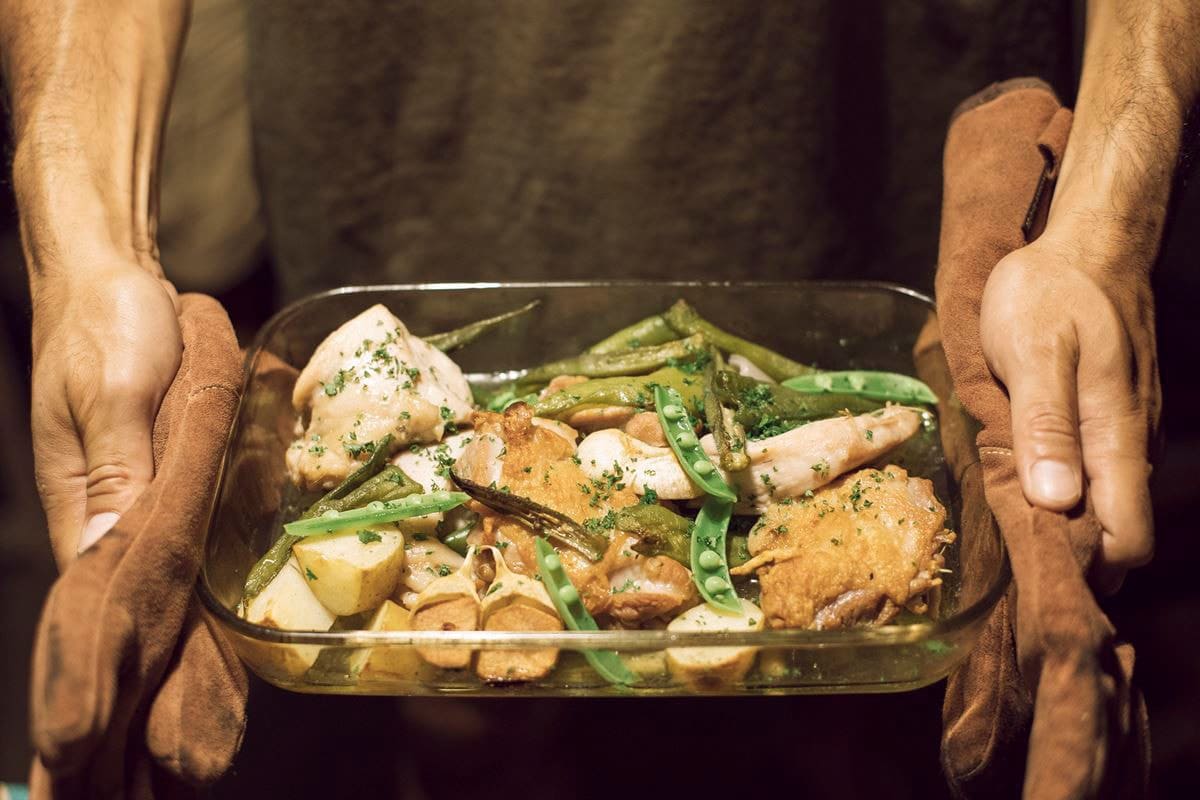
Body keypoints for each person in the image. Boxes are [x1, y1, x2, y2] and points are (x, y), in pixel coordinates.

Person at [2, 0, 1196, 795]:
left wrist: (1104, 203)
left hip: (866, 149)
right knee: (458, 724)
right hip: (410, 151)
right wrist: (87, 231)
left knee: (860, 752)